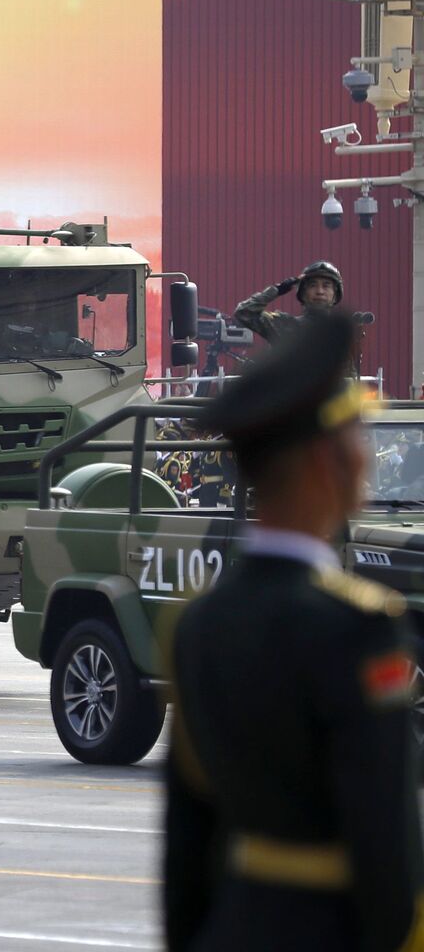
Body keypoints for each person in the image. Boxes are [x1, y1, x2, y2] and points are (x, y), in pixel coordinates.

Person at [163, 310, 423, 951]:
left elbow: (186, 844)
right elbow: (386, 837)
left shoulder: (198, 623)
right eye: (355, 441)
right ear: (322, 462)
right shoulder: (356, 628)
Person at [233, 261, 343, 344]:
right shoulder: (286, 326)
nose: (320, 291)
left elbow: (350, 374)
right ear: (303, 294)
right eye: (313, 285)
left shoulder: (342, 334)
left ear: (335, 294)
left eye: (326, 286)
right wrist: (278, 289)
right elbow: (244, 312)